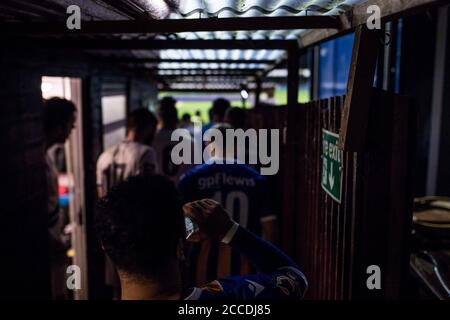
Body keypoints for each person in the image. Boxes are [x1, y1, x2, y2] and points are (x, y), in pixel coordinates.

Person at [95, 175, 307, 300]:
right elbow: (294, 278)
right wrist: (231, 231)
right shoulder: (232, 298)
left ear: (106, 246)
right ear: (180, 245)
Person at [178, 124, 278, 286]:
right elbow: (270, 229)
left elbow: (183, 230)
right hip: (246, 273)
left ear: (208, 145)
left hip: (202, 273)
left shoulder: (191, 179)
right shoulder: (255, 179)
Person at [43, 97, 77, 299]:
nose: (71, 131)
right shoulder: (38, 160)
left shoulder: (46, 155)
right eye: (70, 126)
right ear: (58, 126)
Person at [96, 108, 159, 198]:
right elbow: (149, 189)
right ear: (148, 128)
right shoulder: (146, 153)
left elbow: (100, 190)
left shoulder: (105, 155)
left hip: (109, 211)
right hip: (135, 211)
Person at [153, 97, 191, 182]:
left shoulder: (150, 140)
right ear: (177, 119)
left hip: (154, 191)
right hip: (180, 191)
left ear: (159, 118)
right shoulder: (189, 142)